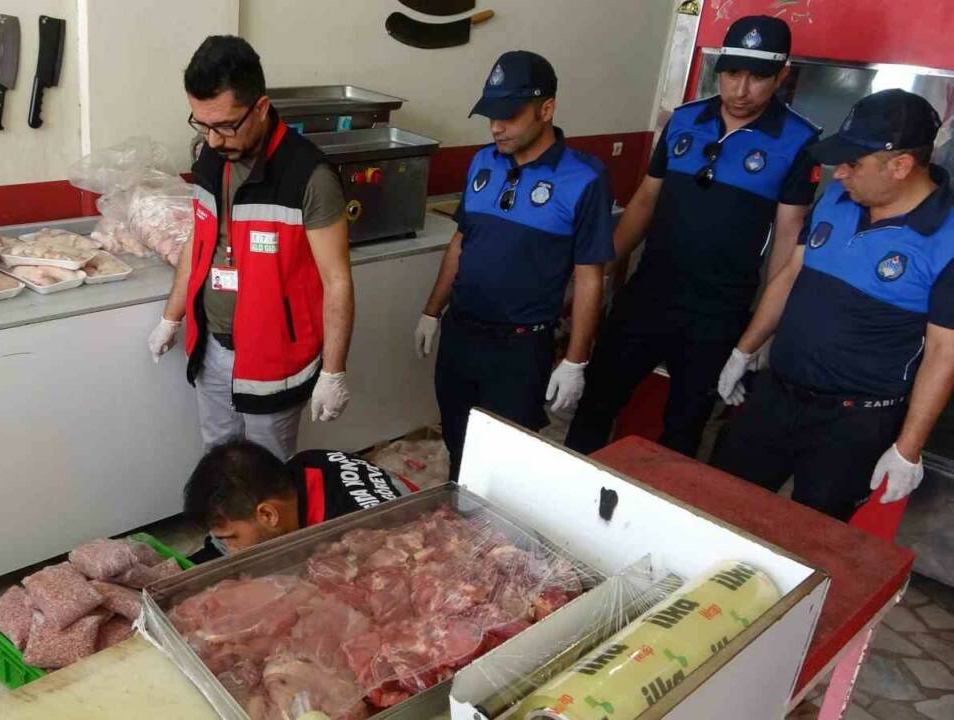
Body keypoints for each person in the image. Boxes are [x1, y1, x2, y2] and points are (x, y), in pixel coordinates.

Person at [565, 15, 821, 458]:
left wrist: (764, 329)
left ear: (782, 76)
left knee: (685, 426)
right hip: (649, 293)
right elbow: (644, 203)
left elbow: (787, 237)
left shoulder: (799, 141)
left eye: (758, 77)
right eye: (732, 73)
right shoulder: (684, 121)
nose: (741, 90)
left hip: (719, 311)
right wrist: (599, 275)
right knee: (597, 400)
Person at [712, 89, 954, 521]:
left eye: (853, 163)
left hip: (854, 423)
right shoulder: (838, 199)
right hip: (776, 395)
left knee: (815, 533)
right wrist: (743, 350)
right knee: (722, 504)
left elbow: (943, 351)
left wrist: (908, 448)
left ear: (901, 166)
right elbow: (790, 275)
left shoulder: (947, 239)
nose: (839, 173)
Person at [148, 36, 354, 460]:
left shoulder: (307, 176)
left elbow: (337, 281)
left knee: (268, 475)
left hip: (274, 359)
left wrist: (333, 371)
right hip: (211, 346)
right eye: (202, 124)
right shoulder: (211, 157)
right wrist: (172, 317)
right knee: (219, 462)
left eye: (225, 126)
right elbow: (198, 241)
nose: (213, 139)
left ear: (260, 108)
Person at [414, 50, 614, 476]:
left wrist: (576, 360)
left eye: (509, 115)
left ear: (546, 109)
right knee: (457, 442)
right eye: (491, 115)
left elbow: (590, 278)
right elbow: (461, 242)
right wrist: (431, 311)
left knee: (503, 463)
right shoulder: (483, 162)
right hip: (461, 335)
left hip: (520, 349)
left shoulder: (583, 178)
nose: (496, 127)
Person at [182, 438, 415, 560]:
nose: (230, 549)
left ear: (268, 514)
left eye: (232, 538)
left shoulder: (359, 534)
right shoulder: (298, 466)